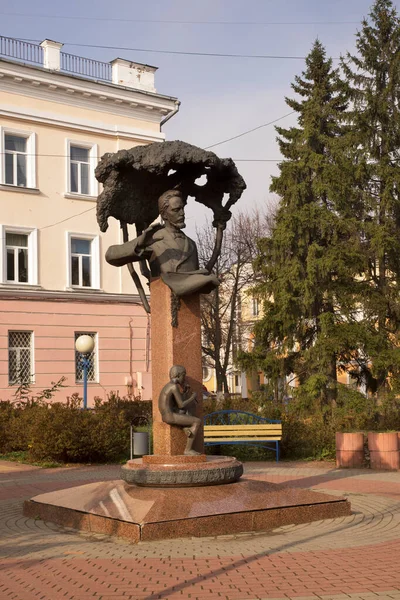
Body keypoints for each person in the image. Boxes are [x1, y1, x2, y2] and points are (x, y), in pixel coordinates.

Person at [105, 189, 219, 297]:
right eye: (176, 210)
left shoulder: (191, 244)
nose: (182, 213)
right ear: (164, 215)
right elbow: (111, 255)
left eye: (182, 209)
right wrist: (140, 243)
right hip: (164, 295)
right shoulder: (154, 239)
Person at [158, 365, 201, 455]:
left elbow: (179, 403)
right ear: (178, 375)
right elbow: (181, 404)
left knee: (184, 412)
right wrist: (192, 397)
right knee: (197, 421)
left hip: (168, 415)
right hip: (170, 416)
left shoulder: (169, 386)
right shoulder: (174, 387)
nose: (184, 379)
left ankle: (186, 428)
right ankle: (188, 450)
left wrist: (185, 392)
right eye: (183, 376)